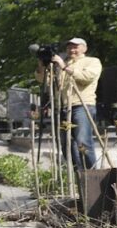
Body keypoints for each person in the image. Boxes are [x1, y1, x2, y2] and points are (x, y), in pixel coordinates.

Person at [35, 37, 102, 170]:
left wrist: (64, 66)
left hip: (82, 106)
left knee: (82, 141)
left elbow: (86, 77)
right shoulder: (60, 64)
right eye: (69, 47)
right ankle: (78, 176)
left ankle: (92, 174)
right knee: (66, 144)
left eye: (75, 47)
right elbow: (43, 80)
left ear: (85, 48)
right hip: (64, 108)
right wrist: (42, 64)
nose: (72, 50)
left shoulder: (92, 61)